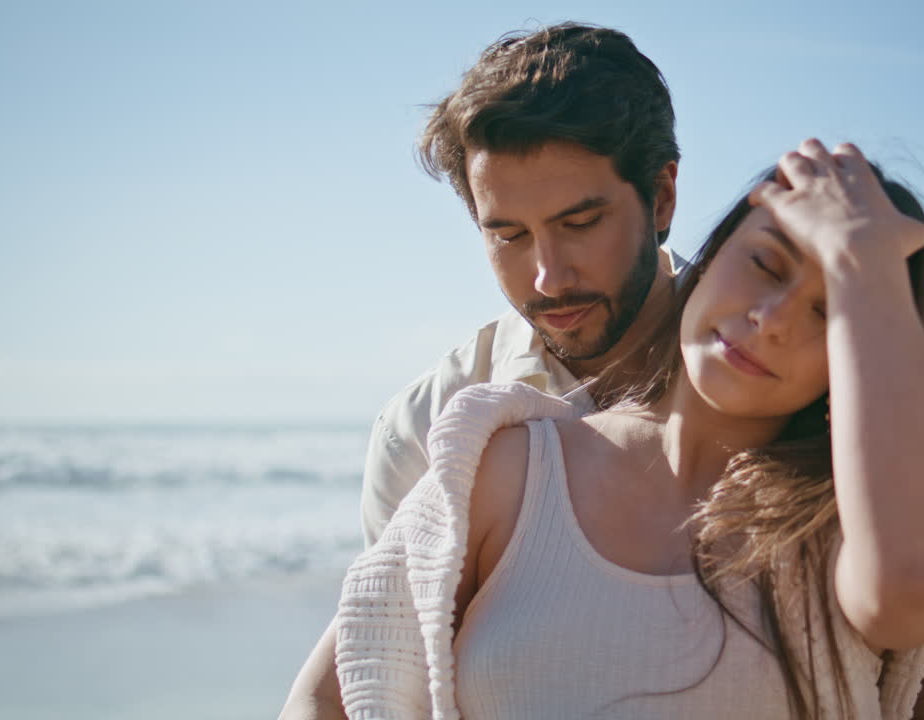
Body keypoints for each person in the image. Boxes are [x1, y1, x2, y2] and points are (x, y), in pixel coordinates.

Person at [298, 141, 924, 719]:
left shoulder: (852, 533)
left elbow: (909, 588)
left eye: (831, 311)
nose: (773, 319)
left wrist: (867, 263)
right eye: (765, 265)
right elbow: (330, 697)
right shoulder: (504, 466)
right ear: (713, 254)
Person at [279, 22, 686, 719]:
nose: (549, 277)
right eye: (509, 235)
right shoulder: (425, 426)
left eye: (581, 223)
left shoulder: (784, 375)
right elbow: (382, 682)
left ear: (662, 196)